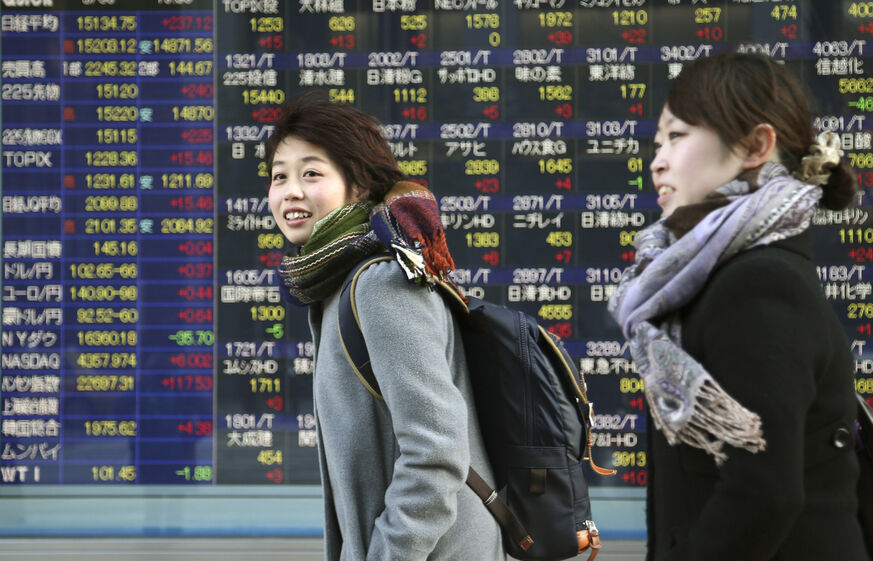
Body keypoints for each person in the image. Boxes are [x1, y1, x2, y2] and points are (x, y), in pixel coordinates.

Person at [608, 52, 869, 561]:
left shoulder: (757, 285)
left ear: (755, 145)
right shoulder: (732, 277)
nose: (657, 159)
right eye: (658, 142)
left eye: (678, 136)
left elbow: (762, 495)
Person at [264, 93, 505, 561]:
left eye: (311, 173)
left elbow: (435, 452)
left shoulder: (382, 284)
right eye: (279, 176)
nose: (290, 191)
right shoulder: (338, 286)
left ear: (358, 187)